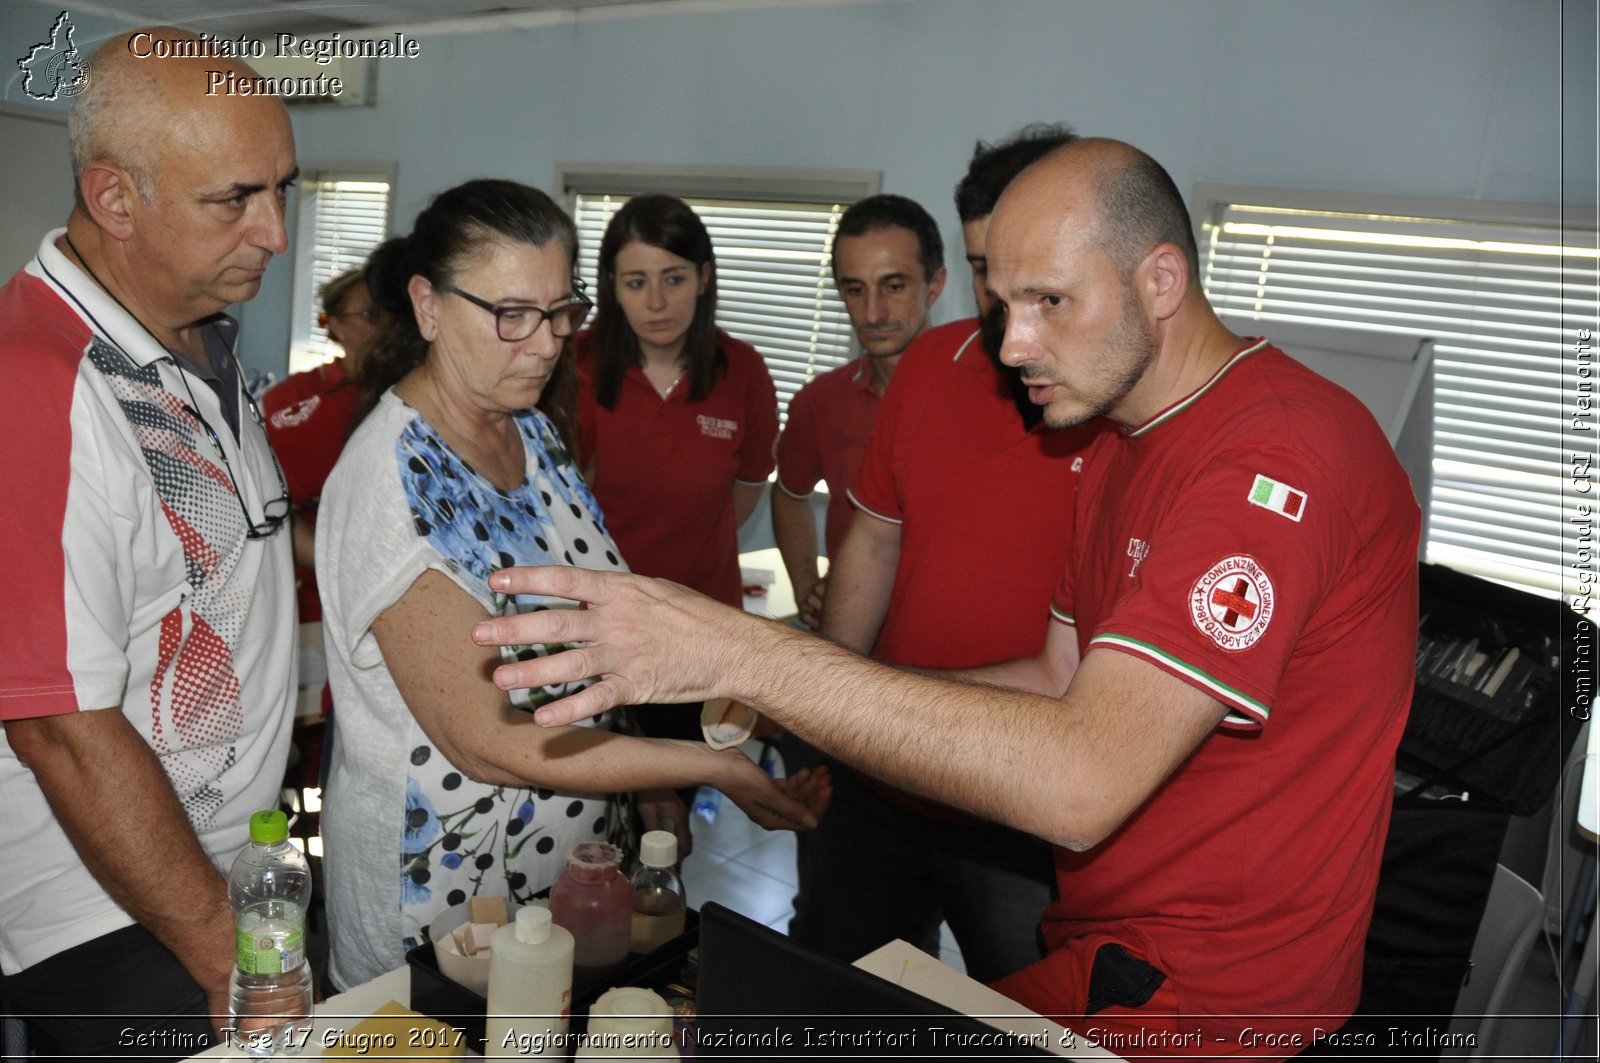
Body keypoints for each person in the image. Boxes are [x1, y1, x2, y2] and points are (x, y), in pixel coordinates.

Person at [471, 138, 1421, 1055]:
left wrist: (747, 651)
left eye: (1051, 300)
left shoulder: (1273, 458)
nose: (1015, 344)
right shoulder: (1117, 446)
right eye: (1002, 302)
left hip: (1222, 994)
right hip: (1112, 948)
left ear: (1161, 282)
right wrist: (814, 696)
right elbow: (1057, 672)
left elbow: (1081, 781)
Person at [314, 180, 823, 991]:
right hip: (445, 907)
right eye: (513, 314)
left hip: (557, 886)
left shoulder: (531, 432)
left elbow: (593, 625)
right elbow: (490, 738)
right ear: (429, 305)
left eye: (561, 312)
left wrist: (650, 783)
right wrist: (716, 766)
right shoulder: (391, 481)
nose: (547, 344)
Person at [0, 31, 299, 1057]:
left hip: (218, 863)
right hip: (104, 905)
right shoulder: (36, 386)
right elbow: (57, 726)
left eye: (283, 190)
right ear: (115, 199)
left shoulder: (203, 331)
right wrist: (228, 956)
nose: (277, 231)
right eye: (236, 199)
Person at [790, 126, 1097, 983]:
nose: (1002, 299)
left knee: (1026, 1015)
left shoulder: (1117, 404)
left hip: (1016, 806)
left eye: (1029, 271)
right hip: (882, 779)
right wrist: (826, 706)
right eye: (983, 268)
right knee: (829, 993)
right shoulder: (931, 362)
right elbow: (873, 542)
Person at [574, 194, 779, 739]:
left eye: (674, 278)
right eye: (636, 282)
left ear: (704, 277)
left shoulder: (744, 371)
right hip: (592, 623)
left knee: (682, 792)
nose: (657, 302)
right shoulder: (575, 366)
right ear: (612, 288)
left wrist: (691, 544)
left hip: (700, 625)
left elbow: (749, 484)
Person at [771, 194, 946, 628]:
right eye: (855, 289)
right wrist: (806, 585)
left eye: (894, 286)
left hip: (950, 651)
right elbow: (789, 494)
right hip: (853, 645)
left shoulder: (991, 398)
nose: (872, 312)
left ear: (935, 285)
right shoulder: (822, 401)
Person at [263, 267, 387, 618]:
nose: (386, 326)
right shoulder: (294, 400)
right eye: (371, 314)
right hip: (315, 601)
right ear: (334, 324)